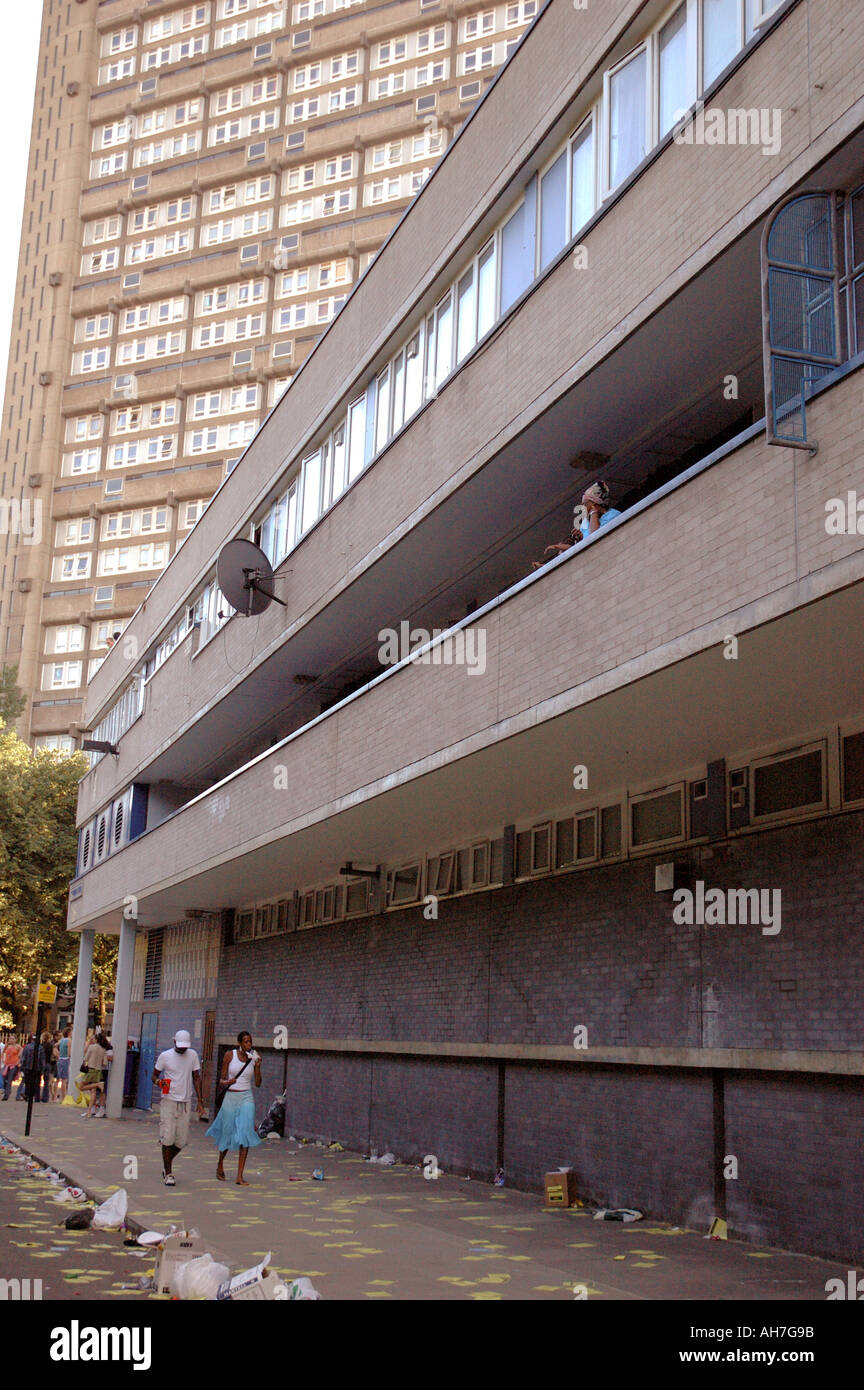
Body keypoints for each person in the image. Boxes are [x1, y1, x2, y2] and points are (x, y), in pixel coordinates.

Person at [207, 1031, 262, 1186]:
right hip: (231, 1096)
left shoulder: (254, 1058)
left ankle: (239, 1175)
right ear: (239, 1043)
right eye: (245, 1042)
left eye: (250, 1042)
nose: (248, 1045)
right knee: (227, 1132)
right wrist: (227, 1082)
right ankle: (220, 1164)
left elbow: (258, 1083)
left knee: (245, 1133)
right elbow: (221, 1080)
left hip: (246, 1097)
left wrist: (257, 1067)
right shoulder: (229, 1055)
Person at [152, 1030, 205, 1186]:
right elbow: (154, 1076)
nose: (182, 1049)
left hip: (185, 1102)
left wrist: (200, 1101)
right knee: (168, 1137)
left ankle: (165, 1163)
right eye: (180, 1046)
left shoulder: (193, 1055)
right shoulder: (165, 1056)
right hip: (168, 1101)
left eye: (185, 1047)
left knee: (181, 1141)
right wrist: (159, 1083)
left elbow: (196, 1077)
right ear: (174, 1041)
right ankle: (168, 1173)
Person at [532, 480, 622, 569]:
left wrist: (594, 512)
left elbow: (595, 537)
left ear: (594, 503)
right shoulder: (586, 522)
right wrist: (581, 536)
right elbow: (576, 549)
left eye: (585, 504)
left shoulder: (613, 514)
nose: (583, 508)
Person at [79, 1031, 110, 1118]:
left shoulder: (91, 1047)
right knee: (93, 1092)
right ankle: (89, 1111)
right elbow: (105, 1063)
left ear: (96, 1040)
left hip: (90, 1070)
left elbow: (86, 1058)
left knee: (81, 1087)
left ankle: (98, 1084)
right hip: (98, 1071)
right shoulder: (103, 1050)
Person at [1, 1035, 21, 1101]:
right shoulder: (7, 1046)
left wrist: (18, 1062)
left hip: (13, 1065)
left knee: (9, 1079)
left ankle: (6, 1095)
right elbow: (3, 1052)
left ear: (16, 1040)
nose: (11, 1040)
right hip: (7, 1064)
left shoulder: (17, 1046)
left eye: (13, 1039)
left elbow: (20, 1055)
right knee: (4, 1079)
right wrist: (3, 1059)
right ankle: (7, 1090)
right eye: (10, 1038)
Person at [56, 1028, 71, 1101]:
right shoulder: (69, 1040)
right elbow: (69, 1052)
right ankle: (64, 1097)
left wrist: (58, 1054)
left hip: (60, 1059)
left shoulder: (61, 1040)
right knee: (65, 1080)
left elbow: (55, 1045)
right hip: (65, 1059)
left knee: (62, 1080)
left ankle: (62, 1096)